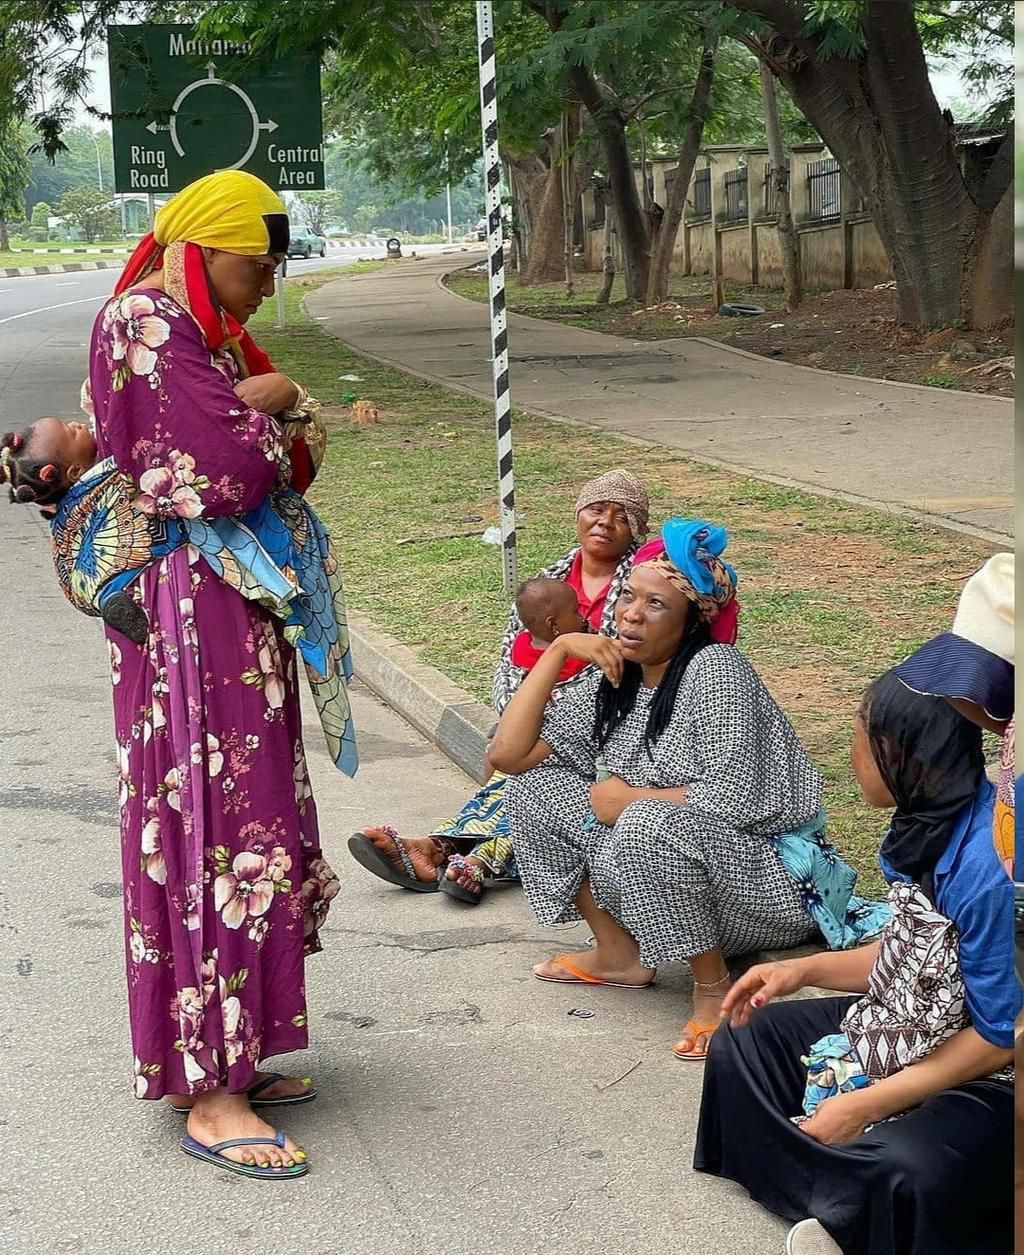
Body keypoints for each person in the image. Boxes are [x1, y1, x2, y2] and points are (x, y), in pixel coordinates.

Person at [81, 169, 352, 1179]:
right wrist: (276, 407)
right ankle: (211, 1084)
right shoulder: (147, 320)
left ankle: (240, 1043)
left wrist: (272, 410)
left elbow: (286, 447)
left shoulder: (204, 333)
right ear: (204, 250)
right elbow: (225, 467)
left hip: (232, 611)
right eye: (257, 262)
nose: (268, 284)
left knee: (254, 823)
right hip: (187, 618)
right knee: (206, 825)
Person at [491, 517, 886, 1060]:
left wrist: (627, 801)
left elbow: (735, 799)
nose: (631, 613)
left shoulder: (715, 670)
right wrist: (558, 653)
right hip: (670, 876)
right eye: (628, 596)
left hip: (769, 884)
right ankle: (617, 954)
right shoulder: (618, 674)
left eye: (655, 605)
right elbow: (507, 757)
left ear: (690, 621)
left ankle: (712, 985)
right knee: (532, 791)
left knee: (645, 822)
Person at [695, 669, 1019, 1255]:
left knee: (910, 1166)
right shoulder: (923, 829)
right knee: (744, 1041)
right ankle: (846, 1190)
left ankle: (849, 1192)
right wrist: (803, 971)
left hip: (990, 1065)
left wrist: (867, 1102)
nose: (850, 756)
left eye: (860, 739)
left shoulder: (987, 870)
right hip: (912, 1020)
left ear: (901, 753)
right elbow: (908, 954)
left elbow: (1000, 1036)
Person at [347, 468, 651, 905]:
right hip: (537, 717)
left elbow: (627, 671)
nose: (604, 522)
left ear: (636, 529)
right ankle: (454, 851)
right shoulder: (548, 580)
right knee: (516, 756)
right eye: (596, 509)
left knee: (535, 766)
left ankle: (447, 847)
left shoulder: (641, 586)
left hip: (610, 723)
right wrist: (522, 716)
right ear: (579, 514)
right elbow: (510, 664)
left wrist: (546, 719)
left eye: (621, 516)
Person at [0, 412, 356, 776]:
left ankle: (110, 595)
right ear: (74, 472)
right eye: (71, 431)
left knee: (103, 575)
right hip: (116, 553)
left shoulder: (87, 470)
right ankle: (110, 595)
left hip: (103, 569)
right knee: (126, 547)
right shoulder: (106, 475)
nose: (78, 424)